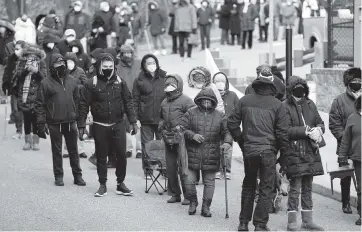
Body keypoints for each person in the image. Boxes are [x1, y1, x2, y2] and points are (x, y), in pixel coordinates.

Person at [227, 67, 288, 231]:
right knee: (266, 188)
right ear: (271, 83)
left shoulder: (244, 100)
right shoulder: (277, 104)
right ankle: (260, 224)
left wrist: (242, 142)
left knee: (248, 185)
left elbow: (232, 124)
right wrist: (282, 154)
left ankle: (243, 223)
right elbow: (282, 133)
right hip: (268, 151)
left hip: (250, 150)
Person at [77, 53, 137, 197]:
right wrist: (81, 125)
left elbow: (128, 102)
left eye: (110, 66)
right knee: (102, 157)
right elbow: (83, 104)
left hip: (118, 124)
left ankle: (120, 184)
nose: (108, 69)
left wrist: (133, 121)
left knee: (122, 155)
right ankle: (102, 184)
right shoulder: (92, 83)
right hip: (99, 125)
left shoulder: (120, 82)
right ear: (100, 67)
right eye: (105, 67)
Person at [280, 76, 324, 231]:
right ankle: (291, 221)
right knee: (295, 188)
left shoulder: (310, 104)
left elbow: (320, 122)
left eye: (302, 86)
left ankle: (307, 220)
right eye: (297, 87)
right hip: (294, 152)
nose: (301, 89)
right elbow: (284, 130)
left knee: (307, 187)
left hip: (310, 151)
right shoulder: (284, 106)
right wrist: (304, 131)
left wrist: (319, 130)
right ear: (291, 89)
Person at [35, 53, 86, 187]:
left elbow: (78, 101)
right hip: (54, 122)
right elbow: (39, 104)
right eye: (57, 64)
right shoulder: (45, 83)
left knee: (73, 150)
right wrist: (41, 123)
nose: (61, 66)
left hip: (70, 121)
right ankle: (58, 176)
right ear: (52, 66)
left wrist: (80, 120)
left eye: (63, 63)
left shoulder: (72, 80)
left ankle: (77, 176)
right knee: (57, 150)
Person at [180, 87, 233, 217]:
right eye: (204, 101)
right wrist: (192, 135)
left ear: (213, 102)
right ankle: (193, 202)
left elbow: (227, 131)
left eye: (209, 101)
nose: (207, 103)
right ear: (199, 101)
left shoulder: (220, 115)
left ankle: (206, 207)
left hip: (212, 152)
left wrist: (227, 143)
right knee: (189, 181)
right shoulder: (191, 113)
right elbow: (183, 128)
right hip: (193, 151)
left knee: (209, 182)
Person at [159, 74, 195, 205]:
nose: (170, 87)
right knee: (170, 167)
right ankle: (175, 193)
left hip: (182, 138)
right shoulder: (164, 101)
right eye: (167, 84)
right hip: (168, 137)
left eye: (173, 85)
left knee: (184, 168)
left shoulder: (186, 101)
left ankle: (188, 195)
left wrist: (183, 129)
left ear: (178, 86)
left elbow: (193, 118)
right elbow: (161, 118)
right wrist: (161, 126)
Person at [329, 67, 361, 214]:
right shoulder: (339, 101)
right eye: (354, 80)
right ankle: (346, 202)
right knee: (346, 175)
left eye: (359, 80)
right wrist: (346, 138)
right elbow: (334, 123)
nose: (357, 83)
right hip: (345, 145)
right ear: (348, 83)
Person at [132, 54, 167, 178]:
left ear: (157, 63)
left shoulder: (164, 77)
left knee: (162, 144)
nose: (151, 65)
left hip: (161, 118)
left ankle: (163, 169)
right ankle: (148, 170)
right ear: (144, 65)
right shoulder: (139, 80)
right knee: (147, 145)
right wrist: (135, 118)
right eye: (148, 63)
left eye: (153, 62)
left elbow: (170, 97)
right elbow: (135, 100)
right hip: (145, 118)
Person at [16, 45, 46, 151]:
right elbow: (18, 75)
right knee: (27, 120)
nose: (31, 58)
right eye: (29, 56)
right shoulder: (22, 63)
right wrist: (25, 70)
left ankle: (36, 142)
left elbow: (45, 78)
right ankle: (27, 141)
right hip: (25, 96)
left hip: (37, 96)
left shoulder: (41, 64)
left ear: (37, 57)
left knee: (36, 120)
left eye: (33, 56)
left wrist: (36, 71)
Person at [338, 96, 361, 226]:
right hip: (359, 159)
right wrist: (342, 156)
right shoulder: (352, 118)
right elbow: (346, 139)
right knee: (361, 189)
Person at [116, 44, 142, 158]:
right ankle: (128, 148)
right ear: (121, 54)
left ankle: (140, 149)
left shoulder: (139, 63)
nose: (127, 55)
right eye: (125, 53)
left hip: (138, 97)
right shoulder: (118, 66)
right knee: (126, 123)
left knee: (138, 123)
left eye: (129, 53)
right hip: (123, 98)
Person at [212, 72, 239, 180]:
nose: (220, 84)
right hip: (215, 127)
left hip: (229, 127)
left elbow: (238, 110)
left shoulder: (232, 95)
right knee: (216, 149)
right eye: (217, 81)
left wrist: (235, 124)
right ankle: (218, 170)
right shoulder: (211, 94)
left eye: (222, 81)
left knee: (228, 150)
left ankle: (227, 170)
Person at [2, 41, 27, 136]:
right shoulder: (11, 58)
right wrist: (5, 84)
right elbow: (7, 72)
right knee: (16, 109)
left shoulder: (28, 58)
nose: (16, 51)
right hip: (14, 87)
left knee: (25, 109)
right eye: (15, 49)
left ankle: (30, 132)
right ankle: (19, 130)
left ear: (23, 49)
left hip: (25, 87)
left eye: (18, 49)